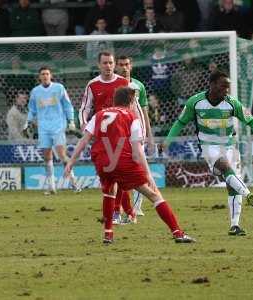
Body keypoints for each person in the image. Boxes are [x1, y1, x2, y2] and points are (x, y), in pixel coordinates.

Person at [65, 86, 195, 244]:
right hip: (121, 160)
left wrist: (70, 162)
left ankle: (108, 234)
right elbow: (137, 151)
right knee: (154, 195)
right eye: (134, 101)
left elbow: (84, 140)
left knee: (109, 192)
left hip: (102, 161)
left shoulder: (99, 115)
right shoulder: (131, 117)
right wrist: (147, 175)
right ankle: (178, 233)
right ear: (131, 101)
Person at [163, 70, 253, 236]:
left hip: (229, 146)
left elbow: (251, 121)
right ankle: (249, 194)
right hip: (209, 147)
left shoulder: (232, 104)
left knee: (232, 184)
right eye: (223, 87)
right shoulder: (195, 102)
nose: (226, 91)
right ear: (212, 85)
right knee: (224, 166)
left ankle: (235, 225)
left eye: (228, 88)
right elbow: (180, 122)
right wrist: (167, 142)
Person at [79, 51, 133, 225]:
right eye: (105, 63)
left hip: (122, 135)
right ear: (98, 65)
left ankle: (120, 212)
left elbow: (133, 107)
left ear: (114, 64)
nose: (108, 66)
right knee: (111, 176)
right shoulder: (92, 85)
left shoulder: (123, 82)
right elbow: (84, 109)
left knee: (119, 176)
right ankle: (124, 212)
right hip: (103, 137)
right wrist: (84, 124)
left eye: (110, 63)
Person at [25, 66, 80, 195]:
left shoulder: (59, 88)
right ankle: (51, 187)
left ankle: (74, 183)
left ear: (51, 76)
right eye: (42, 74)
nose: (45, 76)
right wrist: (27, 122)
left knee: (61, 155)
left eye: (47, 74)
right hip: (43, 127)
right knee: (47, 156)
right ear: (39, 77)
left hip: (58, 126)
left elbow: (67, 105)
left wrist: (71, 120)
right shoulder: (35, 92)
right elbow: (32, 109)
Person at [114, 55, 155, 220]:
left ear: (131, 66)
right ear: (116, 67)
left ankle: (136, 208)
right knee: (122, 171)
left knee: (138, 169)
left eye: (127, 64)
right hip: (120, 134)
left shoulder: (139, 86)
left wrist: (150, 137)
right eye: (121, 64)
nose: (124, 67)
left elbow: (144, 112)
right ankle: (121, 208)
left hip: (137, 133)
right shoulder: (114, 85)